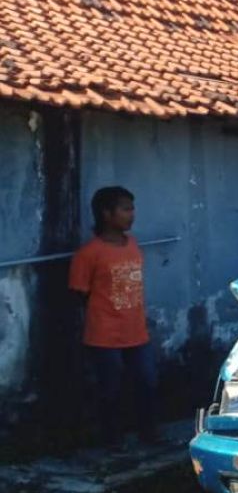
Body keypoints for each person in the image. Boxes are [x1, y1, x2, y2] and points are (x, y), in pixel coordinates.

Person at [68, 186, 158, 446]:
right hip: (104, 335)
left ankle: (148, 434)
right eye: (125, 209)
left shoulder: (132, 245)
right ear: (106, 214)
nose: (132, 214)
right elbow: (79, 294)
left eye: (132, 208)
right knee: (110, 389)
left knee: (146, 382)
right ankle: (112, 439)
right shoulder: (88, 254)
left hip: (136, 332)